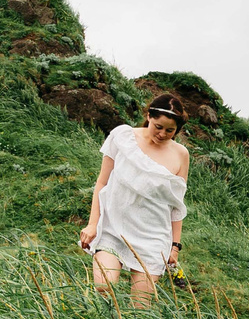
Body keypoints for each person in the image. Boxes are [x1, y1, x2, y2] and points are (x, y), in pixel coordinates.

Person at [78, 95, 189, 304]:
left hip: (153, 237)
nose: (162, 134)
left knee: (141, 307)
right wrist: (93, 224)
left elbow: (176, 205)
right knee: (104, 286)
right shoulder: (123, 137)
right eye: (158, 126)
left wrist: (174, 247)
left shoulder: (181, 154)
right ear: (148, 116)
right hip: (113, 228)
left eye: (169, 130)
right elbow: (101, 183)